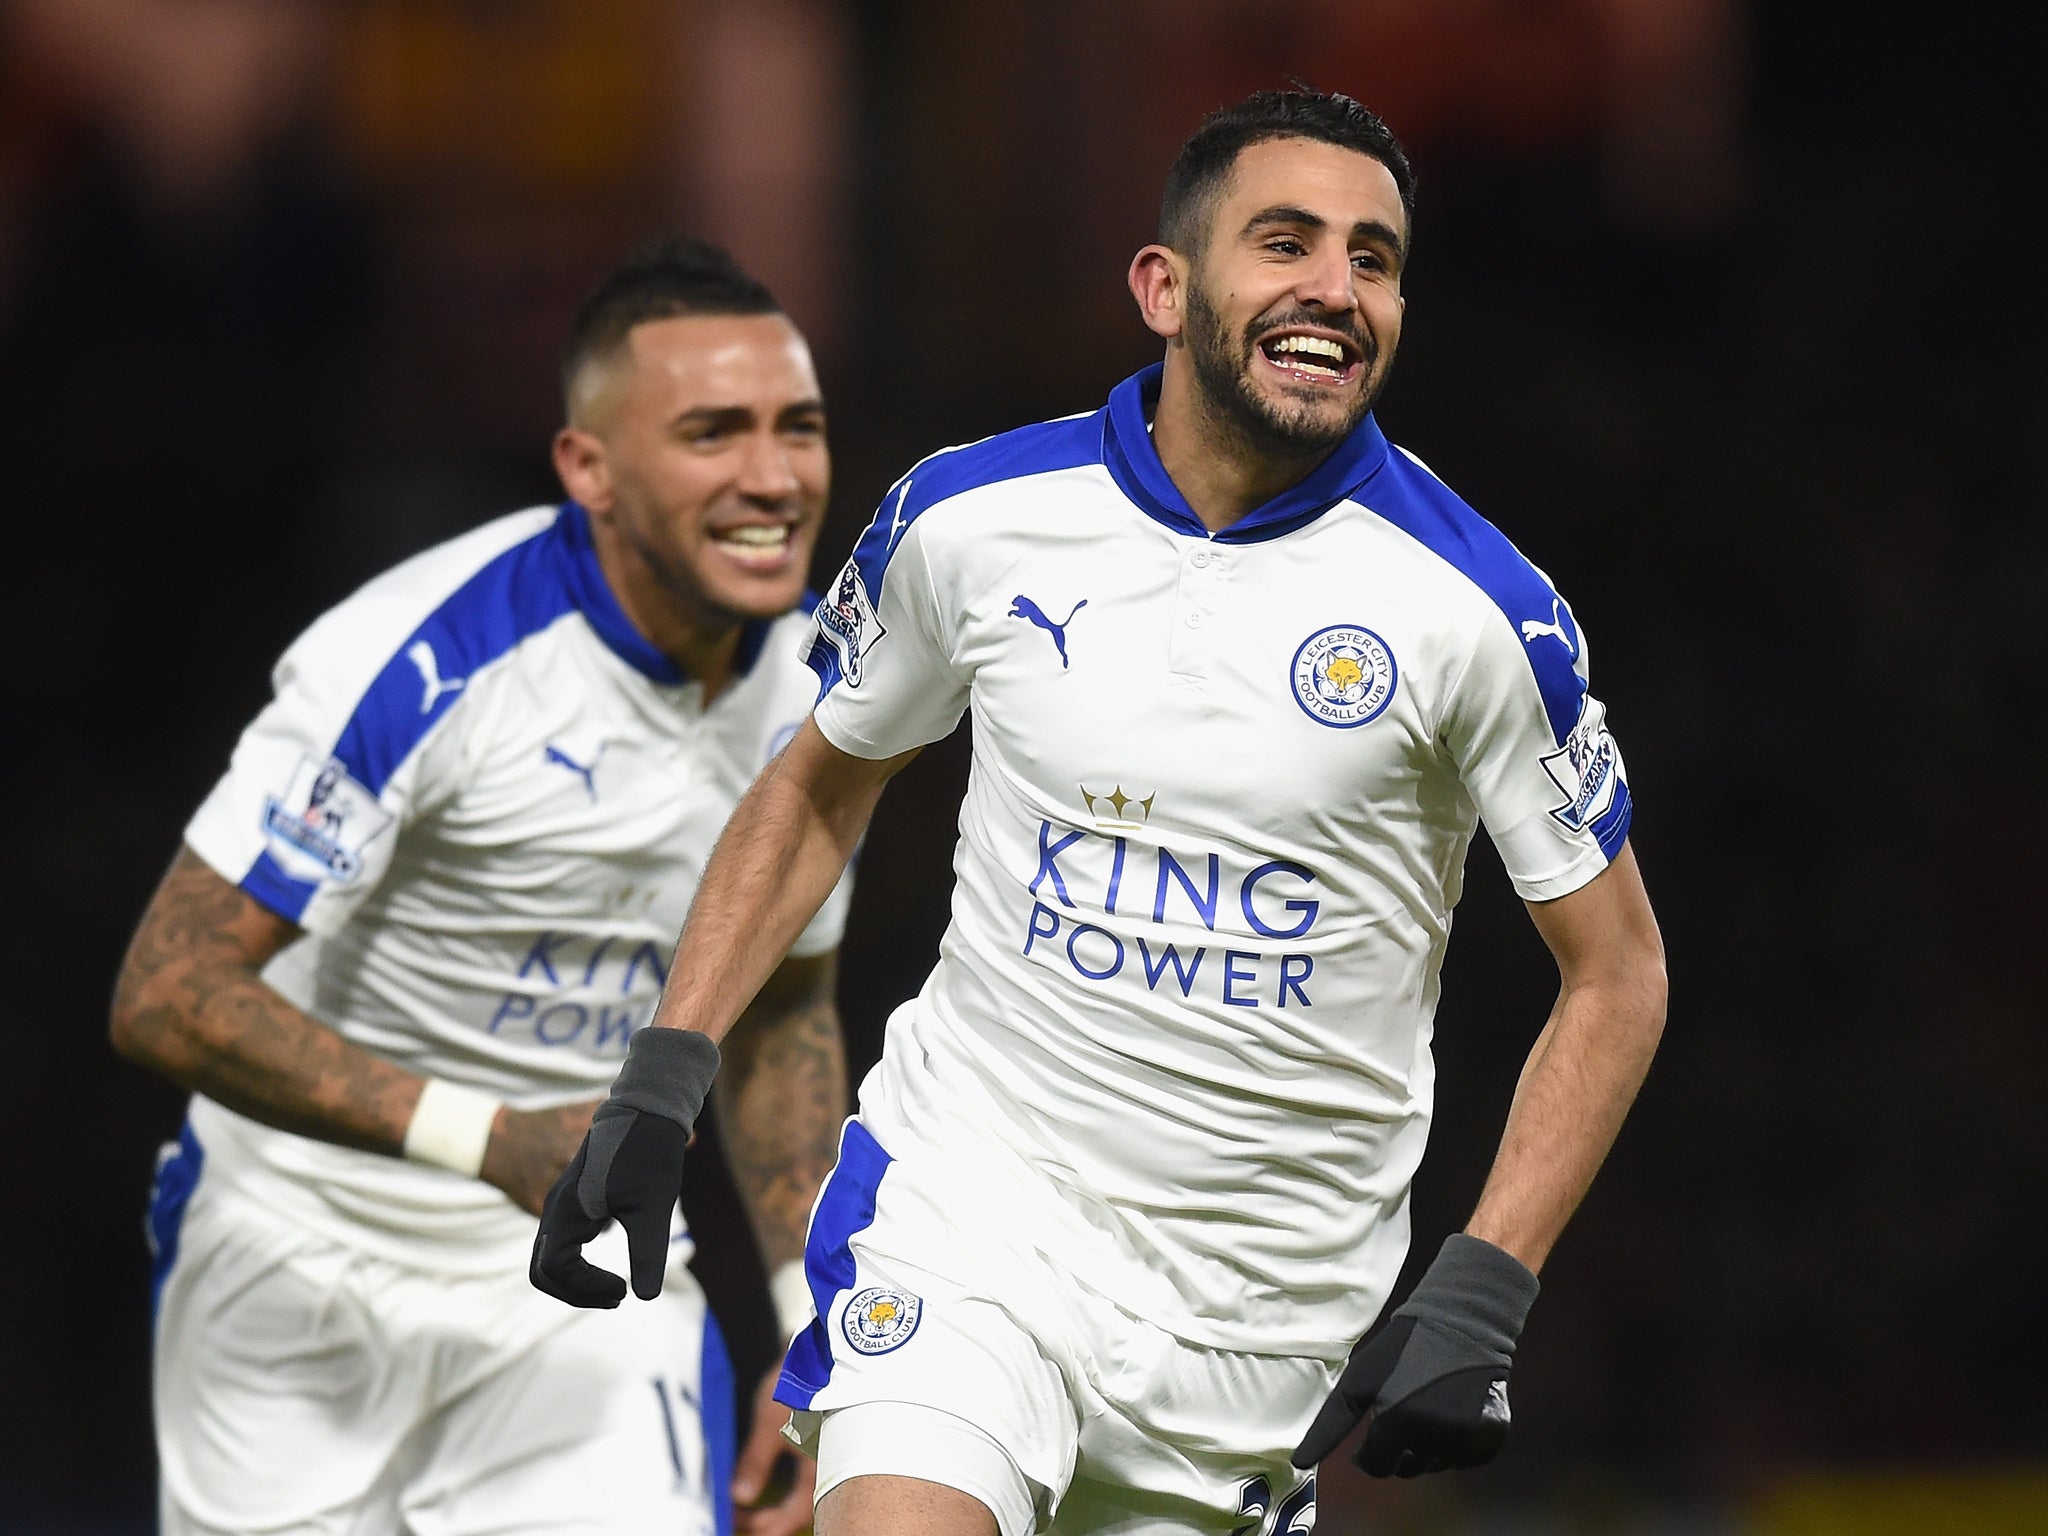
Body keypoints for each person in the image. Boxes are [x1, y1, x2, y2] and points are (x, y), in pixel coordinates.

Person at [532, 90, 1668, 1536]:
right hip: (973, 1223)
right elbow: (822, 782)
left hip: (1256, 1331)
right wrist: (664, 1070)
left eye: (1374, 259)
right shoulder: (970, 520)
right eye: (1286, 242)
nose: (1336, 286)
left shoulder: (1481, 613)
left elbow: (1618, 971)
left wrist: (1489, 1279)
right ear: (1165, 286)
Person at [111, 236, 849, 1536]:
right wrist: (491, 1139)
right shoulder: (422, 660)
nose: (773, 476)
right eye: (713, 433)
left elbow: (783, 1008)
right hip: (297, 1262)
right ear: (591, 469)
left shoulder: (822, 697)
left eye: (799, 426)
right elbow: (167, 992)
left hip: (579, 1293)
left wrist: (810, 1333)